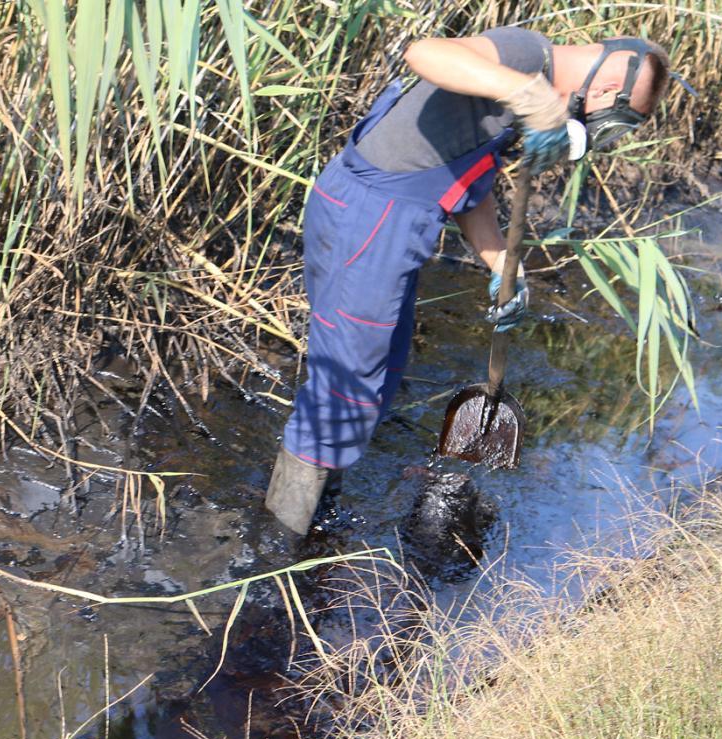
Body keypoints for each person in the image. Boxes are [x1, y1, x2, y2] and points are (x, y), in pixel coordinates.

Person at [264, 28, 673, 534]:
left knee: (379, 378)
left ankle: (319, 510)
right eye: (610, 118)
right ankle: (281, 541)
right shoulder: (525, 57)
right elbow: (425, 52)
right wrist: (527, 93)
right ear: (610, 85)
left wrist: (501, 261)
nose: (586, 123)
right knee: (345, 390)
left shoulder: (524, 85)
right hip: (369, 219)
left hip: (393, 224)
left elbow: (468, 180)